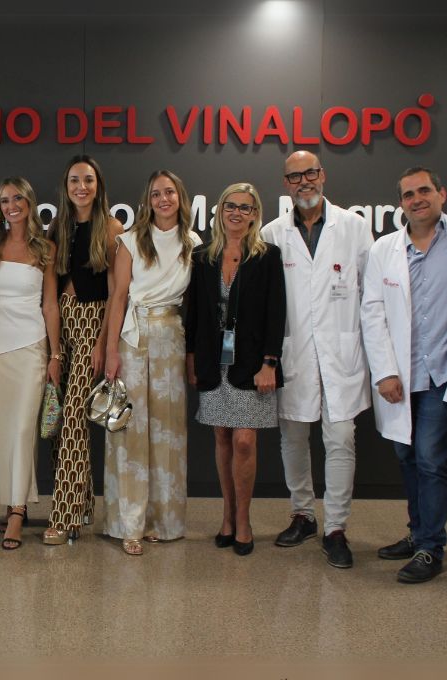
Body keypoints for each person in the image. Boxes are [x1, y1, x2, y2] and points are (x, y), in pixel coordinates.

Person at [360, 167, 447, 584]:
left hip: (441, 374)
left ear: (441, 194)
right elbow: (373, 313)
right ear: (401, 203)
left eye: (424, 191)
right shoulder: (385, 249)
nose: (417, 199)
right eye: (408, 194)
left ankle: (430, 547)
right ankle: (418, 533)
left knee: (432, 461)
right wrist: (384, 372)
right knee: (407, 457)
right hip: (401, 373)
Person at [260, 150, 373, 569]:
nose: (303, 182)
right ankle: (303, 514)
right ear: (285, 184)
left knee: (341, 438)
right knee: (293, 437)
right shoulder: (272, 233)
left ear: (322, 175)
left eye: (310, 173)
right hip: (294, 353)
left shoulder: (355, 228)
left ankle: (337, 528)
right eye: (294, 177)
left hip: (343, 352)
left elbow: (372, 294)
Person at [103, 170, 201, 556]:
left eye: (170, 192)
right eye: (156, 193)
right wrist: (111, 350)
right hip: (133, 336)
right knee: (130, 430)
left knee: (168, 431)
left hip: (171, 338)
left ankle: (164, 520)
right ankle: (129, 523)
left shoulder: (193, 242)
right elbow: (119, 296)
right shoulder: (129, 241)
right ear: (148, 200)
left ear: (180, 197)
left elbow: (195, 306)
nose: (164, 199)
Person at [185, 183, 285, 557]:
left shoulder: (267, 256)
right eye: (231, 206)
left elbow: (277, 312)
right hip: (213, 362)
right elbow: (194, 313)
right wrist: (191, 357)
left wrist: (269, 363)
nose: (237, 214)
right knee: (223, 438)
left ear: (255, 214)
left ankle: (244, 520)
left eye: (246, 208)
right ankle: (226, 517)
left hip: (251, 364)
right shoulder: (202, 257)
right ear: (219, 211)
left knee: (244, 440)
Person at [44, 155, 124, 546]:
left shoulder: (111, 228)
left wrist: (102, 345)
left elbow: (115, 295)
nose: (82, 187)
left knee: (75, 418)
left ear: (98, 184)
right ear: (66, 185)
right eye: (75, 179)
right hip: (62, 323)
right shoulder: (56, 227)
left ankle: (62, 515)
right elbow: (51, 294)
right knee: (62, 426)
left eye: (88, 180)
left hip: (94, 322)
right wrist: (54, 350)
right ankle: (82, 508)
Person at [0, 177, 62, 550]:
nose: (11, 206)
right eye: (4, 201)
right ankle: (12, 501)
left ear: (29, 204)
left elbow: (50, 304)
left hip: (31, 346)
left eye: (17, 199)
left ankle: (17, 510)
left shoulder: (46, 248)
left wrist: (55, 353)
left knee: (23, 430)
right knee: (0, 430)